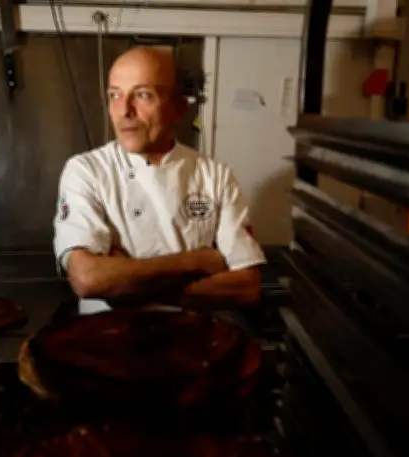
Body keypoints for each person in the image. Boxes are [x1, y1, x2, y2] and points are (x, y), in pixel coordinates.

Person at [53, 46, 266, 315]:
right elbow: (88, 278)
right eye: (114, 95)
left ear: (178, 108)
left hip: (192, 345)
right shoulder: (86, 171)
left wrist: (124, 288)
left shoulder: (215, 176)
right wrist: (195, 262)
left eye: (142, 95)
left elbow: (246, 288)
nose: (124, 111)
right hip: (110, 343)